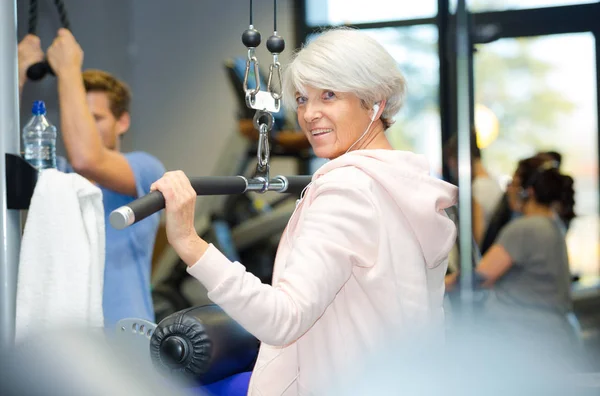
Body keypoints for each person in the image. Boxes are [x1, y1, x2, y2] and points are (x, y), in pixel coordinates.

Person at [150, 28, 458, 395]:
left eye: (329, 95)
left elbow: (282, 319)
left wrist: (188, 241)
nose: (310, 114)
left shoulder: (346, 190)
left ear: (375, 100)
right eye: (301, 99)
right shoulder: (407, 186)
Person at [18, 29, 165, 329]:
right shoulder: (55, 178)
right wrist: (15, 75)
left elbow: (88, 159)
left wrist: (69, 68)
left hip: (127, 338)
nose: (81, 125)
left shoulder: (145, 170)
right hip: (67, 341)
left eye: (94, 118)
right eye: (77, 115)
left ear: (122, 121)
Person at [446, 156, 580, 364]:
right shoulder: (552, 224)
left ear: (529, 191)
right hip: (553, 338)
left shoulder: (526, 228)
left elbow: (480, 278)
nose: (508, 189)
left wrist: (438, 284)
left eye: (514, 183)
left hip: (531, 341)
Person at [444, 130, 503, 246]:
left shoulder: (476, 189)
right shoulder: (494, 183)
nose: (452, 169)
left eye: (452, 163)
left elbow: (477, 237)